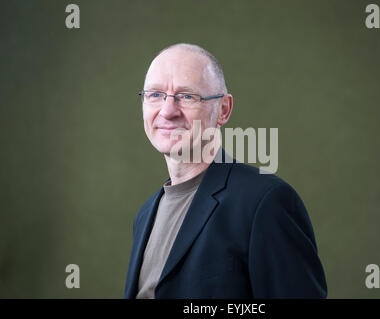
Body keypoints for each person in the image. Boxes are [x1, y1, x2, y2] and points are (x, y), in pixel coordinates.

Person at [124, 43, 327, 298]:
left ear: (223, 110)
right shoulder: (145, 214)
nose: (167, 111)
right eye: (155, 94)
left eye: (186, 96)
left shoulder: (265, 202)